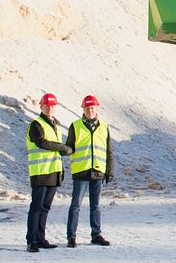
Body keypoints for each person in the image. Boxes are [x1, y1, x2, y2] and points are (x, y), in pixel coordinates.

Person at [26, 92, 73, 253]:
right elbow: (42, 142)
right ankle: (31, 240)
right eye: (47, 106)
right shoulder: (36, 124)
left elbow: (54, 148)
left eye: (52, 106)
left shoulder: (56, 125)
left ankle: (40, 238)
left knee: (45, 208)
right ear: (41, 106)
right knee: (36, 207)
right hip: (40, 172)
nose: (50, 108)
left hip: (53, 172)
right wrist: (63, 148)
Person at [66, 94, 114, 248]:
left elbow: (108, 151)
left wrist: (109, 171)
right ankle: (71, 236)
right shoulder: (75, 126)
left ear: (96, 109)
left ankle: (96, 235)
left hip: (98, 172)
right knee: (75, 205)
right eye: (87, 108)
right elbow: (69, 147)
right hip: (81, 172)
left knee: (96, 206)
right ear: (83, 109)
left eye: (92, 108)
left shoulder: (104, 127)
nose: (90, 111)